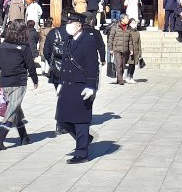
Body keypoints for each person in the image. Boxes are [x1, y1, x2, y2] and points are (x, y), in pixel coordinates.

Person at [56, 11, 99, 164]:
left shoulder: (88, 40)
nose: (67, 25)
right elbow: (65, 63)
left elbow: (92, 65)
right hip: (67, 85)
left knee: (81, 121)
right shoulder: (68, 40)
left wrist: (91, 86)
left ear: (78, 25)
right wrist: (60, 82)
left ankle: (82, 153)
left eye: (70, 23)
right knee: (62, 119)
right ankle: (85, 139)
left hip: (81, 86)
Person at [0, 19, 38, 150]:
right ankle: (0, 140)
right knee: (12, 109)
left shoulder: (2, 46)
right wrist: (35, 80)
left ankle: (24, 137)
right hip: (19, 81)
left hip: (5, 81)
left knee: (16, 107)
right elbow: (30, 65)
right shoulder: (24, 47)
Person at [107, 14, 134, 85]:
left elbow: (130, 40)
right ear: (122, 19)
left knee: (123, 64)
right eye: (126, 19)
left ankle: (119, 78)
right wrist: (110, 48)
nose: (128, 20)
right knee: (118, 64)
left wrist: (131, 49)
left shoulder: (128, 28)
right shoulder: (115, 27)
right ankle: (120, 79)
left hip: (125, 49)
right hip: (117, 49)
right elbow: (111, 38)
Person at [125, 18, 143, 84]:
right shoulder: (128, 32)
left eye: (134, 22)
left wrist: (140, 52)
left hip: (136, 51)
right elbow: (128, 42)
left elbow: (139, 42)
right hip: (130, 51)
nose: (134, 24)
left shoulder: (137, 32)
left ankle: (131, 77)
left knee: (133, 66)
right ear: (129, 24)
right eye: (132, 23)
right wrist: (130, 50)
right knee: (130, 65)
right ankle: (127, 77)